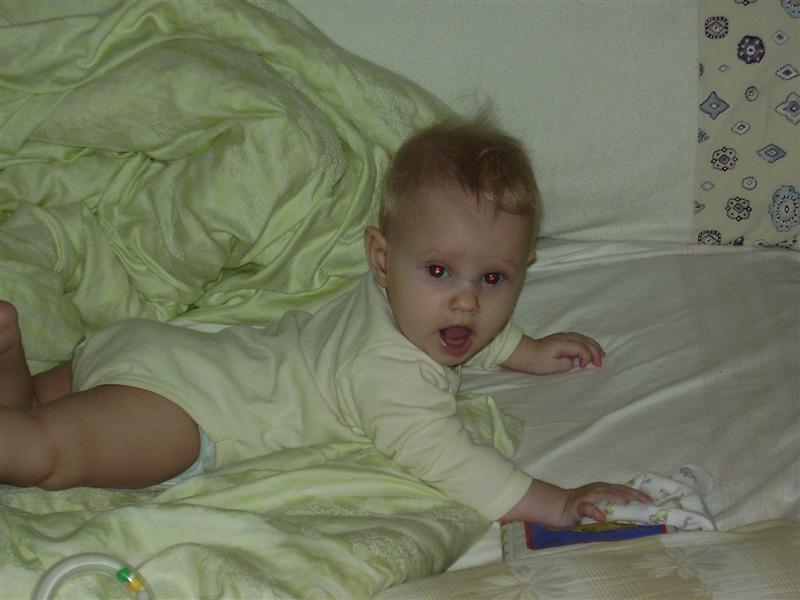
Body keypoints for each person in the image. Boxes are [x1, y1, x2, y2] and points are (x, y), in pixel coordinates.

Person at [0, 118, 649, 526]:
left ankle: (8, 360)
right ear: (381, 258)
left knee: (28, 413)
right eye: (441, 271)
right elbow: (452, 460)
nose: (466, 303)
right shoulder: (391, 377)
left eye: (494, 279)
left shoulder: (389, 298)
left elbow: (459, 332)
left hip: (150, 350)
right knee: (43, 455)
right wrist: (558, 503)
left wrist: (523, 349)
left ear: (523, 269)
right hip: (184, 413)